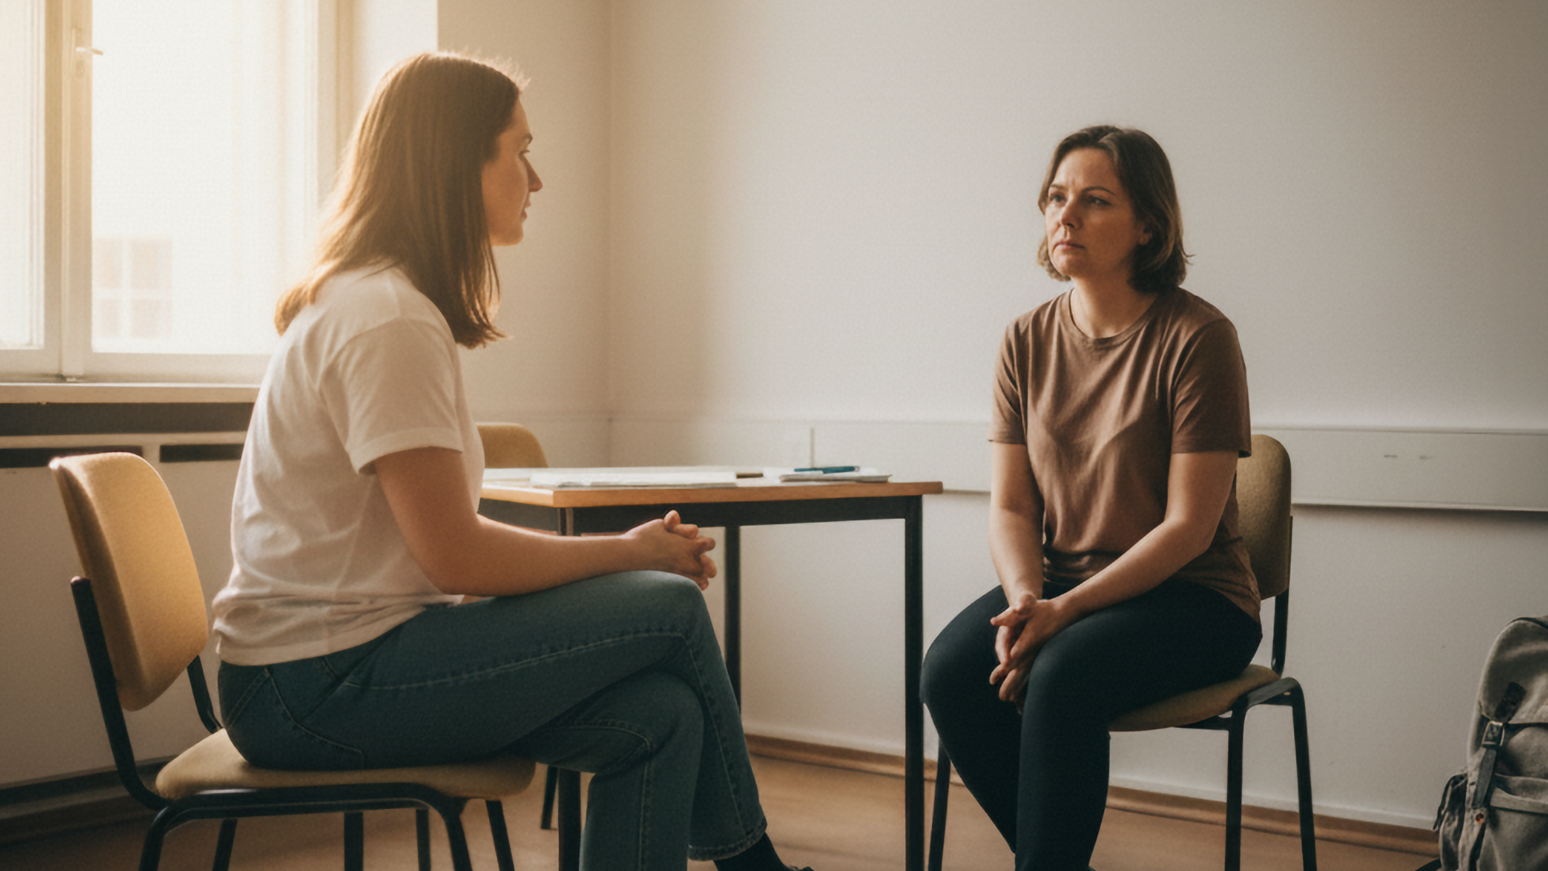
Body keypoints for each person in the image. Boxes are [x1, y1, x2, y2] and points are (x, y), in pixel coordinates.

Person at [211, 52, 811, 871]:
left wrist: (620, 558)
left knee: (662, 713)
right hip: (311, 686)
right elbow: (455, 554)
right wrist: (629, 553)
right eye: (518, 150)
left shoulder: (381, 301)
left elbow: (444, 551)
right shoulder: (384, 317)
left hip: (339, 664)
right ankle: (756, 866)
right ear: (459, 162)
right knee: (669, 603)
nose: (537, 178)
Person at [919, 126, 1263, 871]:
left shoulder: (1199, 336)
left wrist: (1063, 613)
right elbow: (1012, 507)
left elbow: (1188, 527)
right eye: (1055, 197)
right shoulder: (1024, 339)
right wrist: (1026, 600)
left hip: (1195, 599)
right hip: (1063, 589)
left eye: (1094, 200)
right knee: (949, 669)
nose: (1064, 216)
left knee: (1064, 670)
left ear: (1148, 225)